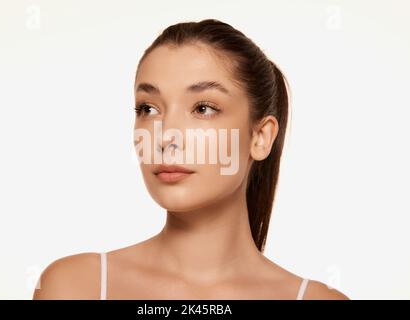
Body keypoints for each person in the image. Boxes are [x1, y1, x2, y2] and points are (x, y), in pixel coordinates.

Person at [33, 19, 349, 300]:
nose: (166, 136)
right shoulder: (75, 287)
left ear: (260, 137)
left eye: (203, 108)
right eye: (149, 109)